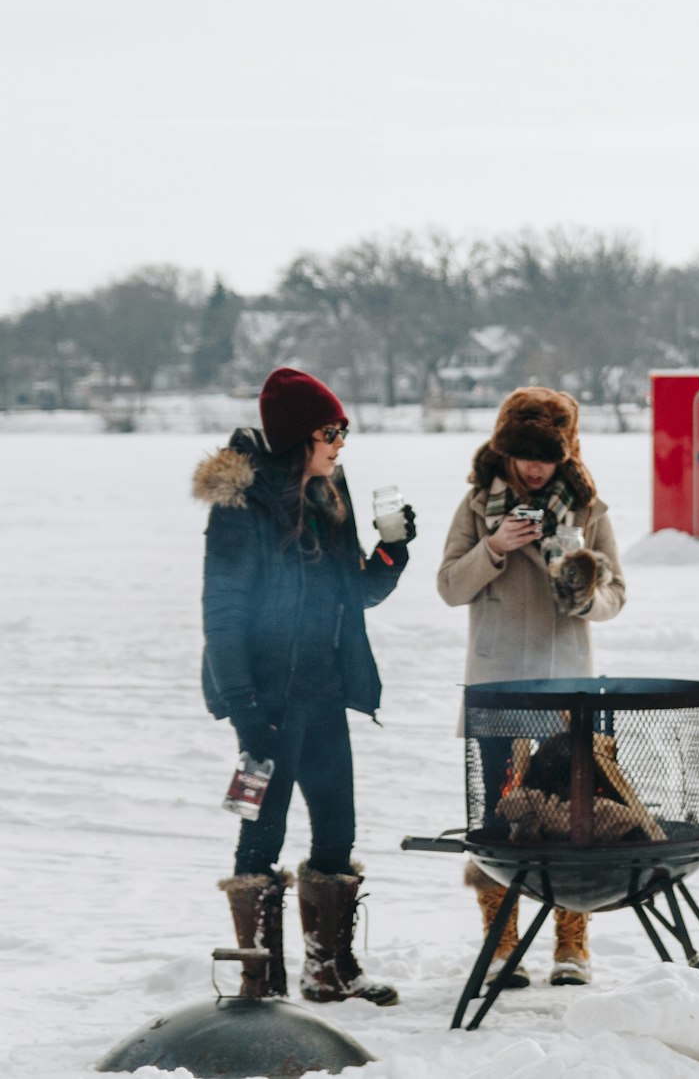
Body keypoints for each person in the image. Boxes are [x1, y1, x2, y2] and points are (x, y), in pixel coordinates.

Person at [195, 366, 412, 1005]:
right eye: (330, 430)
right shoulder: (242, 507)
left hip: (321, 692)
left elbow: (355, 593)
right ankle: (259, 978)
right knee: (261, 830)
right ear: (297, 437)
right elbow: (222, 612)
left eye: (344, 429)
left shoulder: (327, 496)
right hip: (266, 700)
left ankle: (330, 969)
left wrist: (393, 554)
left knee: (337, 831)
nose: (341, 441)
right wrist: (243, 711)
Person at [437, 387, 626, 989]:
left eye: (546, 455)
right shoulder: (475, 506)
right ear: (505, 450)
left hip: (567, 686)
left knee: (579, 817)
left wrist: (580, 587)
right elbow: (448, 586)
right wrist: (494, 548)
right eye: (523, 454)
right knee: (499, 815)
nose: (534, 467)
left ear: (565, 452)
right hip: (497, 687)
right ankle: (501, 943)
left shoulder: (589, 510)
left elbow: (614, 596)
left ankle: (573, 944)